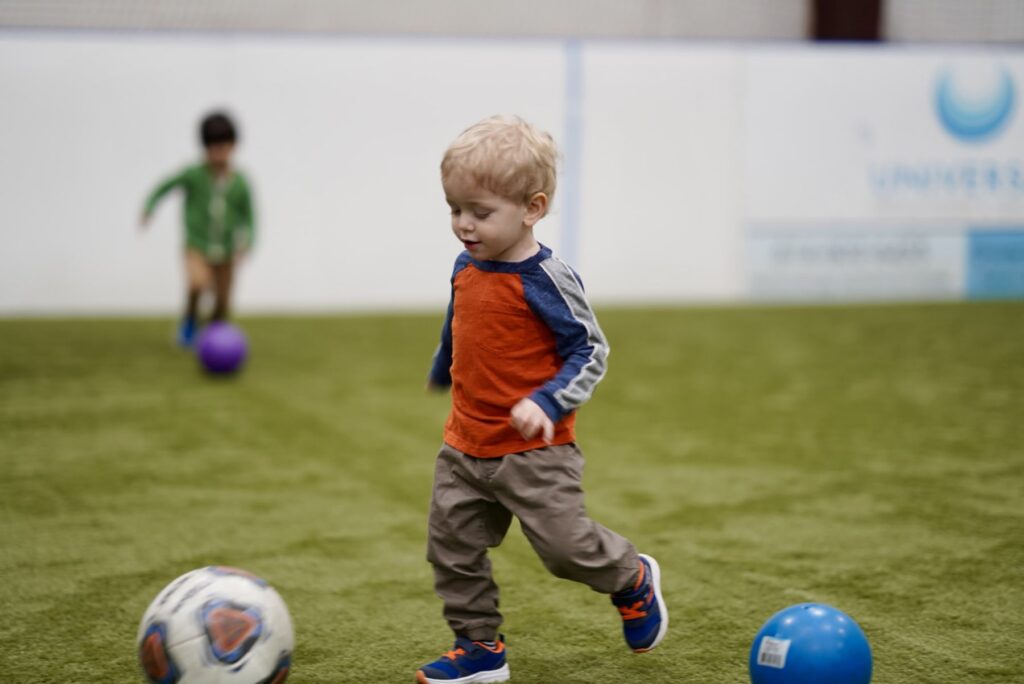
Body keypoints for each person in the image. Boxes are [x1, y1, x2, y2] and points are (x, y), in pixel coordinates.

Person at [418, 115, 668, 684]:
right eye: (454, 209)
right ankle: (480, 647)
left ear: (532, 207)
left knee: (563, 549)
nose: (464, 225)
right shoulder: (466, 265)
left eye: (481, 213)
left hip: (536, 449)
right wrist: (442, 366)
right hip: (465, 444)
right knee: (451, 548)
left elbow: (592, 350)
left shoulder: (546, 278)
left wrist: (550, 402)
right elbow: (460, 324)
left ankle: (631, 577)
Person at [140, 111, 255, 347]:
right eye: (213, 148)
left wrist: (248, 241)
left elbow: (250, 216)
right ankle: (190, 321)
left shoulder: (241, 182)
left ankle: (214, 338)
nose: (219, 154)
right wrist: (150, 207)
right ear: (205, 149)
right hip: (197, 245)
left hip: (225, 250)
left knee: (223, 303)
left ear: (233, 146)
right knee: (198, 283)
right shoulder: (194, 175)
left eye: (224, 147)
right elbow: (165, 186)